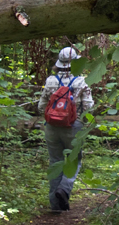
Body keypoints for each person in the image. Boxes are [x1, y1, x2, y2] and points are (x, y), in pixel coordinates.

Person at [38, 46, 94, 213]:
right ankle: (64, 188)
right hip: (73, 126)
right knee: (74, 160)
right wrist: (82, 121)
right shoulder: (81, 81)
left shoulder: (50, 81)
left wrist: (52, 117)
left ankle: (55, 205)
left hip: (51, 127)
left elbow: (41, 106)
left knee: (55, 161)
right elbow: (89, 106)